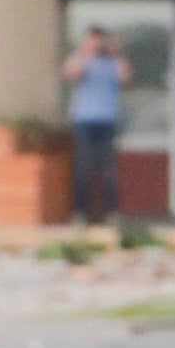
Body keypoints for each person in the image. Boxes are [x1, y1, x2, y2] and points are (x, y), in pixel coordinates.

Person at [60, 26, 126, 229]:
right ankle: (79, 212)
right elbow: (71, 73)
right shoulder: (80, 59)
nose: (96, 45)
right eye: (92, 40)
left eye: (99, 41)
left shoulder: (112, 62)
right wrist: (85, 53)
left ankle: (112, 212)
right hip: (84, 120)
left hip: (107, 120)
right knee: (83, 168)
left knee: (108, 170)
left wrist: (117, 53)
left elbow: (126, 77)